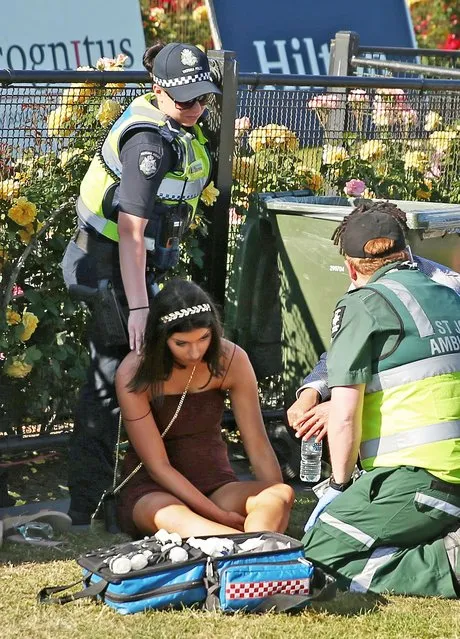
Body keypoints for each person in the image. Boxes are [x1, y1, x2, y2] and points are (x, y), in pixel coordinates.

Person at [61, 42, 222, 525]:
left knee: (134, 375)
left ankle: (133, 488)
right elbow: (131, 230)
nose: (195, 108)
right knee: (114, 381)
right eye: (185, 100)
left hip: (134, 267)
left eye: (202, 98)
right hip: (108, 266)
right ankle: (87, 507)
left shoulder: (178, 123)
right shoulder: (148, 144)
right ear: (158, 90)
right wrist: (138, 309)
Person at [299, 207, 460, 597]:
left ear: (352, 270)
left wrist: (337, 486)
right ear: (407, 253)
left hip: (421, 478)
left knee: (320, 552)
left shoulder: (362, 304)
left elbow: (344, 416)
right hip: (443, 479)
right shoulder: (449, 293)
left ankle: (448, 563)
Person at [114, 278, 294, 538]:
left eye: (204, 338)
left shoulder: (231, 358)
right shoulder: (134, 372)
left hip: (216, 484)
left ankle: (251, 548)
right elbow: (158, 466)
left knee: (280, 493)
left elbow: (257, 443)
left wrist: (279, 502)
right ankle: (246, 548)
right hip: (155, 491)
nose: (195, 352)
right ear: (161, 338)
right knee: (174, 517)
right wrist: (218, 515)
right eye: (181, 343)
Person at [287, 201, 460, 445]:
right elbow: (347, 352)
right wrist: (312, 391)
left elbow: (425, 376)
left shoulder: (447, 289)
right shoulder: (368, 283)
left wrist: (339, 406)